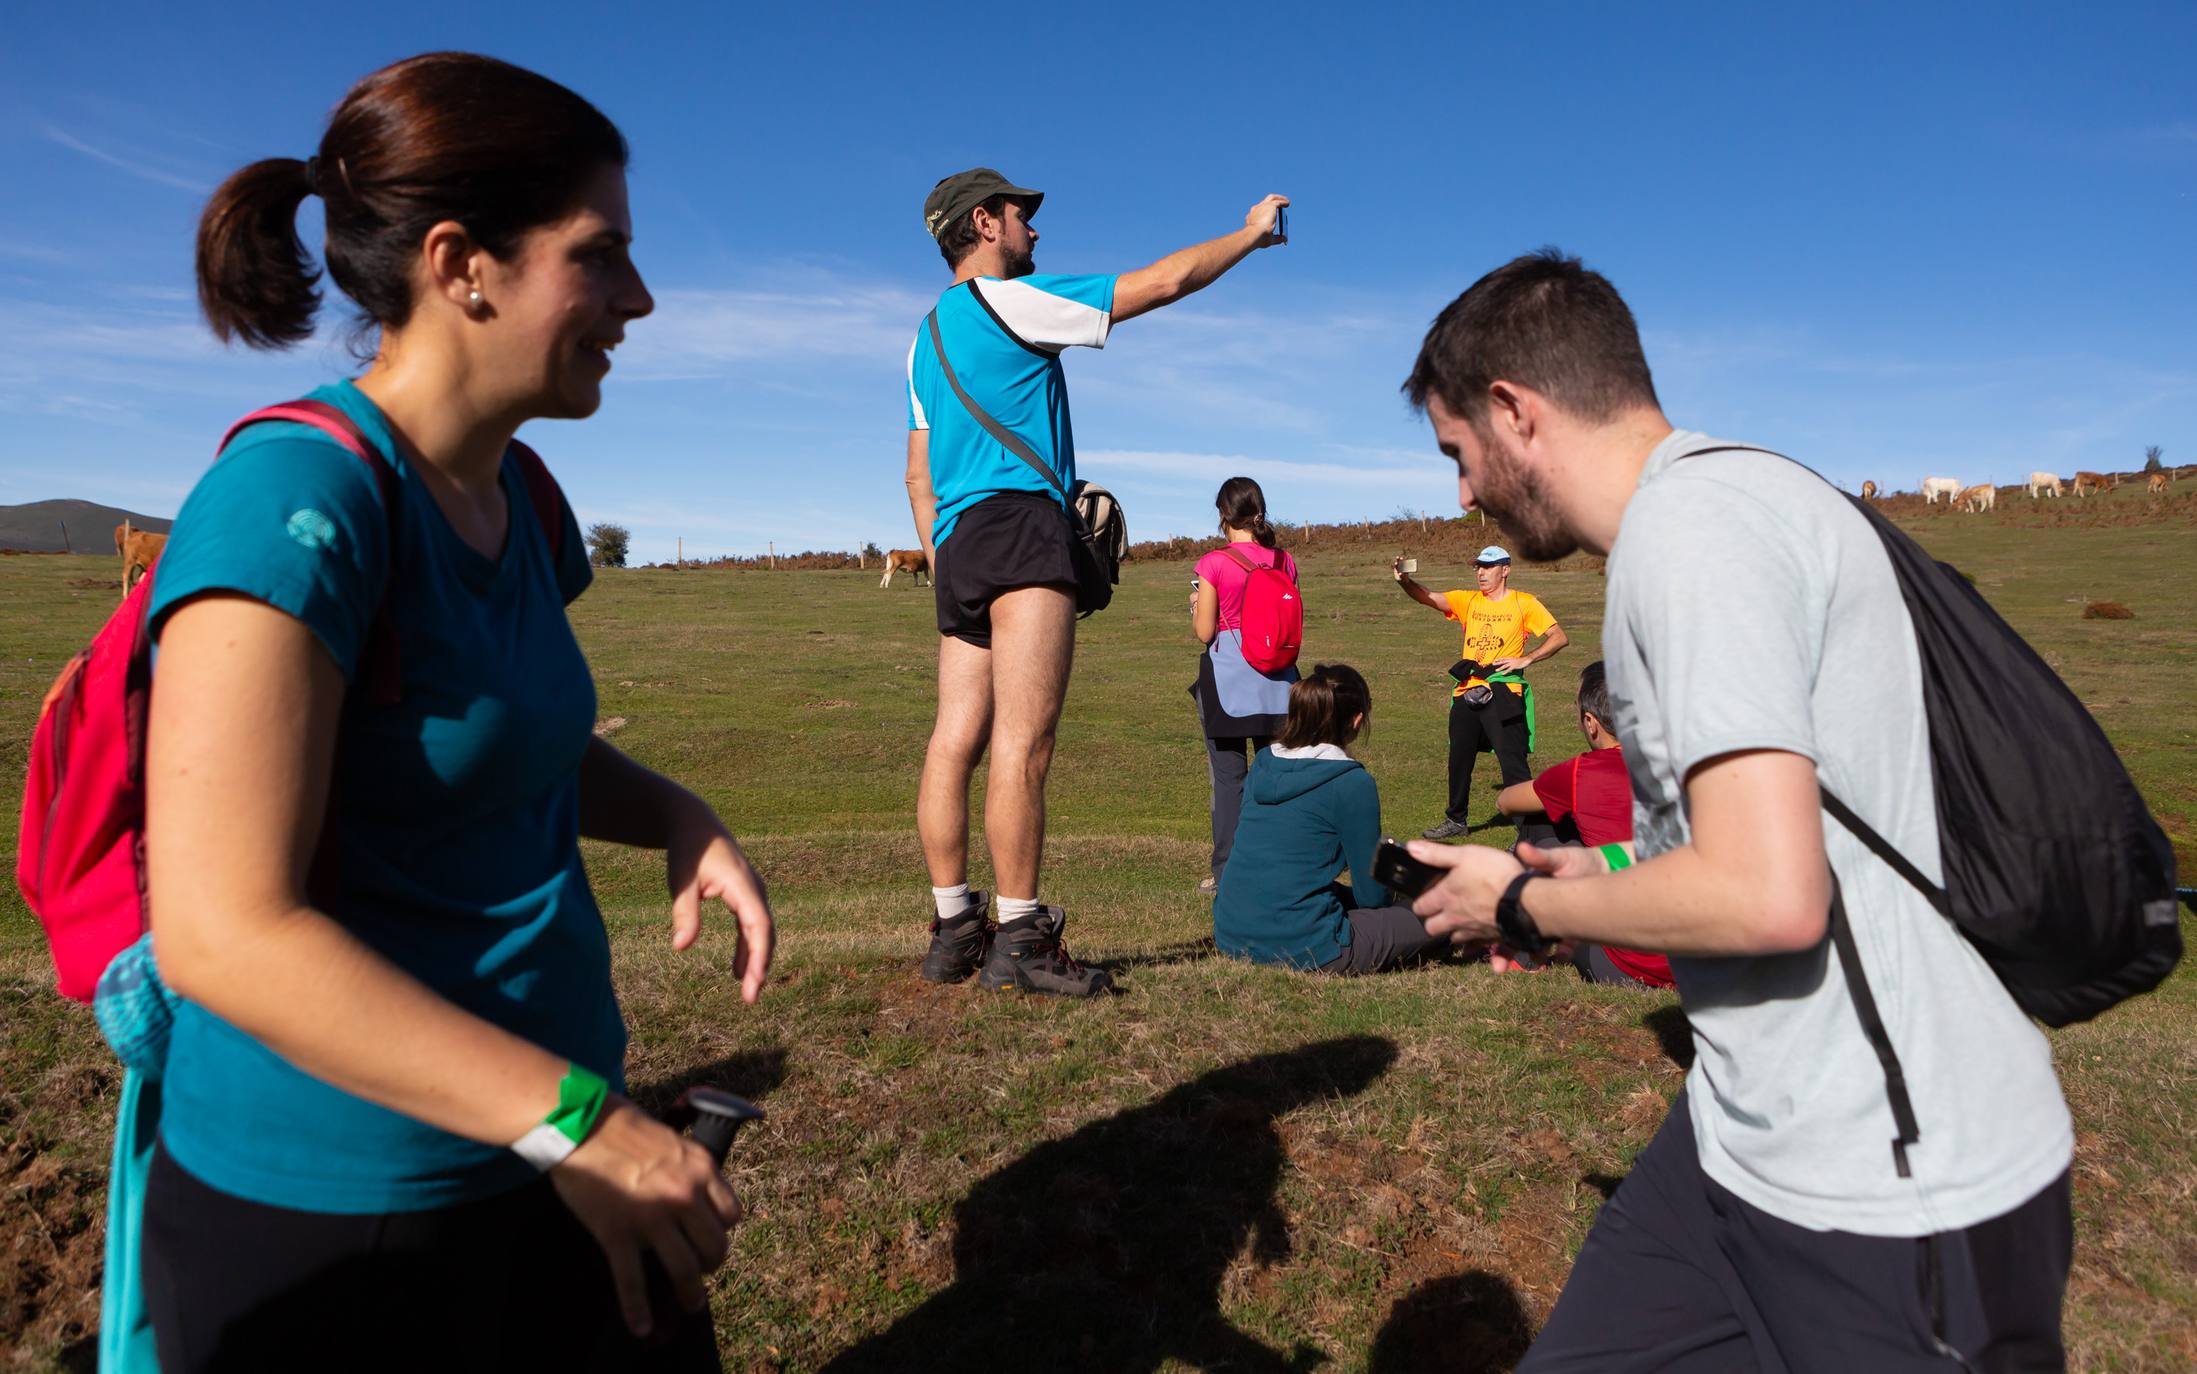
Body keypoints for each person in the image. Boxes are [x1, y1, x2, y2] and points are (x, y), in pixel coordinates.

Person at [132, 53, 775, 1372]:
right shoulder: (295, 506)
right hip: (347, 1217)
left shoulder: (521, 497)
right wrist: (582, 1123)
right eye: (600, 256)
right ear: (462, 263)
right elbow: (219, 930)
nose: (640, 299)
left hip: (547, 1143)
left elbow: (494, 739)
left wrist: (673, 813)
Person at [1399, 250, 2073, 1369]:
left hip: (1897, 1183)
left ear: (1513, 410)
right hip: (1737, 1130)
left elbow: (1768, 896)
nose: (1461, 494)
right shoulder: (1744, 494)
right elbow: (1763, 833)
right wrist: (1605, 878)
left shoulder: (1689, 542)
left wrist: (1521, 902)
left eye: (1457, 455)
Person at [905, 168, 1290, 997]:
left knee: (952, 739)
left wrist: (943, 555)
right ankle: (1019, 939)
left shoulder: (924, 336)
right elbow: (1161, 282)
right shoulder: (1012, 300)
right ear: (984, 223)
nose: (1034, 233)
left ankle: (951, 927)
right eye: (1021, 217)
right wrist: (1250, 233)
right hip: (1021, 530)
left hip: (959, 541)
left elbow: (915, 473)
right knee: (1024, 743)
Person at [1213, 665, 1444, 975]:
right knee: (1447, 911)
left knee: (1341, 896)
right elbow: (1371, 897)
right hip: (1306, 947)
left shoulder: (1264, 763)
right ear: (1357, 720)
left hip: (1231, 931)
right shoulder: (1351, 783)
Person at [1492, 661, 1672, 989]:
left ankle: (1526, 946)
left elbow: (1505, 802)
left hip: (1624, 964)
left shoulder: (1580, 773)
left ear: (1591, 723)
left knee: (1539, 823)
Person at [1392, 546, 1567, 841]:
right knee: (1458, 758)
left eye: (1488, 567)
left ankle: (1529, 834)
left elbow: (1559, 636)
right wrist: (1405, 582)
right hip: (1467, 689)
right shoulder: (1468, 600)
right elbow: (1430, 597)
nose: (1481, 573)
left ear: (1506, 569)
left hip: (1503, 690)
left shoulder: (1524, 603)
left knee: (1513, 764)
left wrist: (1527, 659)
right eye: (1477, 567)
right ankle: (1456, 820)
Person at [1189, 476, 1301, 896]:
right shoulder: (1285, 561)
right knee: (1277, 776)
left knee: (1229, 780)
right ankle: (1282, 863)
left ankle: (1227, 873)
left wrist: (1197, 604)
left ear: (1223, 515)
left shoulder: (1213, 564)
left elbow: (1204, 632)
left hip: (1229, 683)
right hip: (1281, 685)